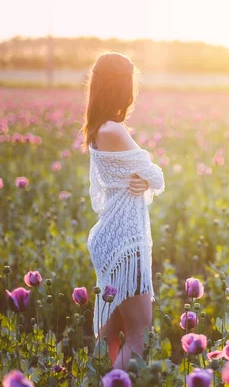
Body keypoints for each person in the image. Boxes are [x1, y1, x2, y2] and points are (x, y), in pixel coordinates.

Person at [81, 51, 165, 369]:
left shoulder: (98, 129)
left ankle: (102, 378)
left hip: (111, 238)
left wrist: (140, 180)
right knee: (139, 334)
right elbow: (156, 175)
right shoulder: (114, 130)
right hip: (125, 243)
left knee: (111, 337)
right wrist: (145, 177)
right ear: (123, 88)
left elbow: (130, 179)